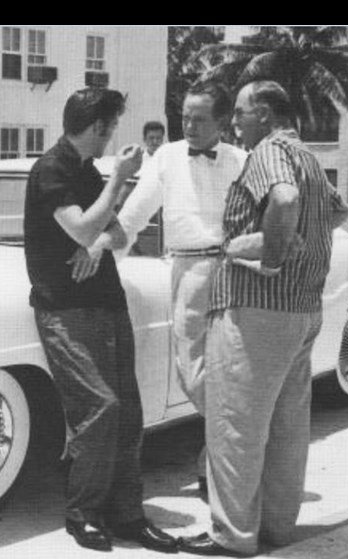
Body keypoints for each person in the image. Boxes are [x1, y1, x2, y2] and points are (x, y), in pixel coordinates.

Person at [178, 80, 348, 556]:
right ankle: (276, 527)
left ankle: (232, 535)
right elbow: (338, 211)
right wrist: (287, 242)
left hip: (257, 309)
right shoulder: (309, 156)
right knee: (287, 429)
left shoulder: (271, 151)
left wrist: (266, 254)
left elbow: (285, 200)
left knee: (236, 427)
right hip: (303, 310)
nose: (234, 122)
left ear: (267, 114)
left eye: (239, 113)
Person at [23, 88, 178, 553]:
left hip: (107, 302)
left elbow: (111, 229)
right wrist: (119, 184)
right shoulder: (51, 169)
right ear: (98, 127)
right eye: (111, 126)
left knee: (128, 410)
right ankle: (84, 512)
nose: (114, 137)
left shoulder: (88, 172)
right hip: (66, 308)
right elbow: (85, 224)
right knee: (100, 408)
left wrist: (97, 242)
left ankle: (128, 512)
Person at [75, 82, 248, 499]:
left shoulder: (244, 161)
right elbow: (131, 220)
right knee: (192, 374)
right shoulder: (167, 158)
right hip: (189, 271)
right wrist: (99, 254)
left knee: (234, 373)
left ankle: (219, 467)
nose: (188, 125)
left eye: (199, 118)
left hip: (239, 271)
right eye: (184, 117)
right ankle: (239, 448)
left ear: (223, 122)